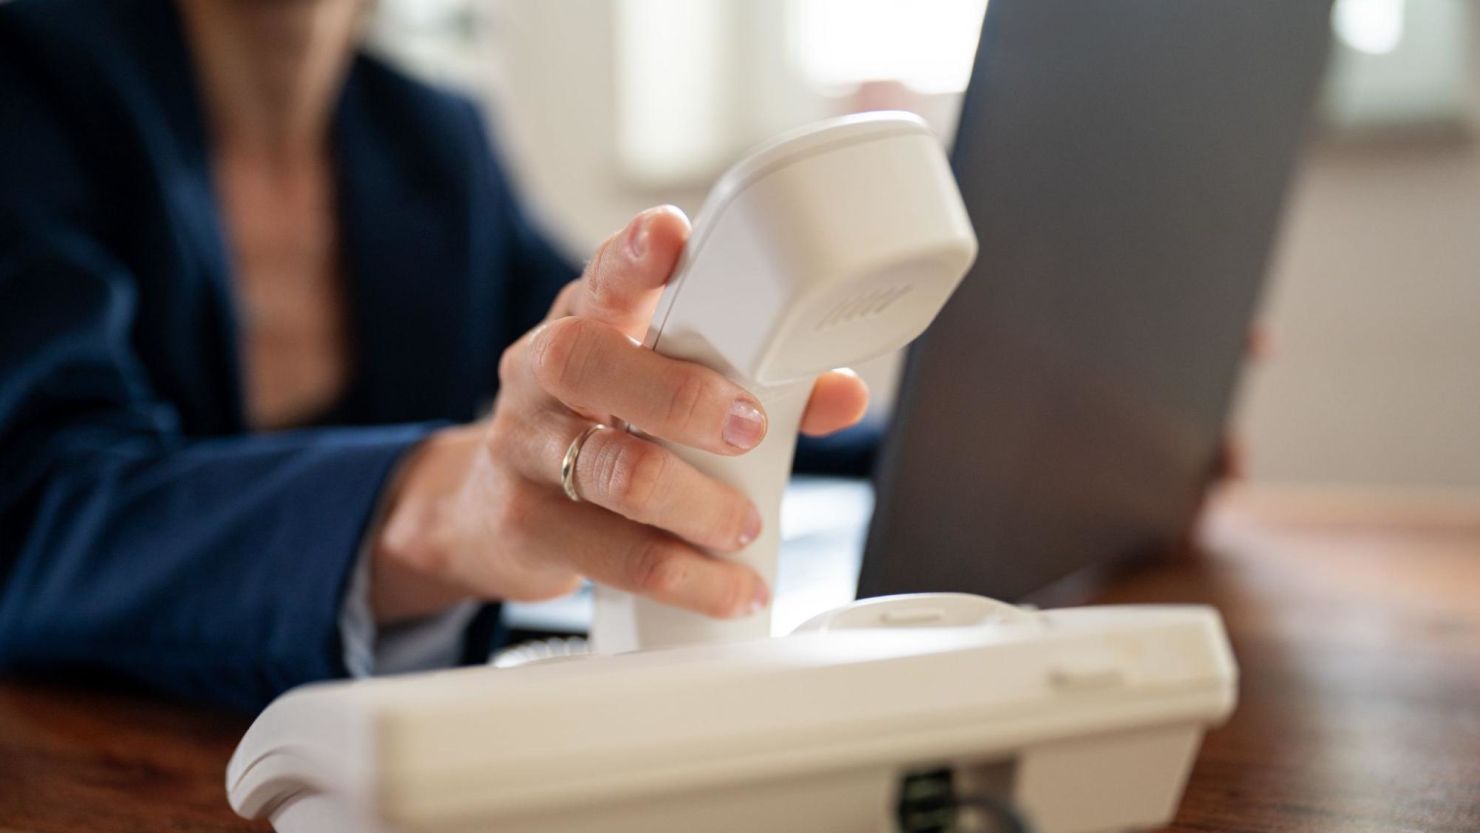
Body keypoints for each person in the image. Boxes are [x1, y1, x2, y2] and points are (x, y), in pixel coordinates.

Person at [0, 0, 870, 711]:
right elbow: (36, 509)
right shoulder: (27, 89)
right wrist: (438, 515)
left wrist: (919, 439)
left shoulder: (433, 141)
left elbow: (608, 366)